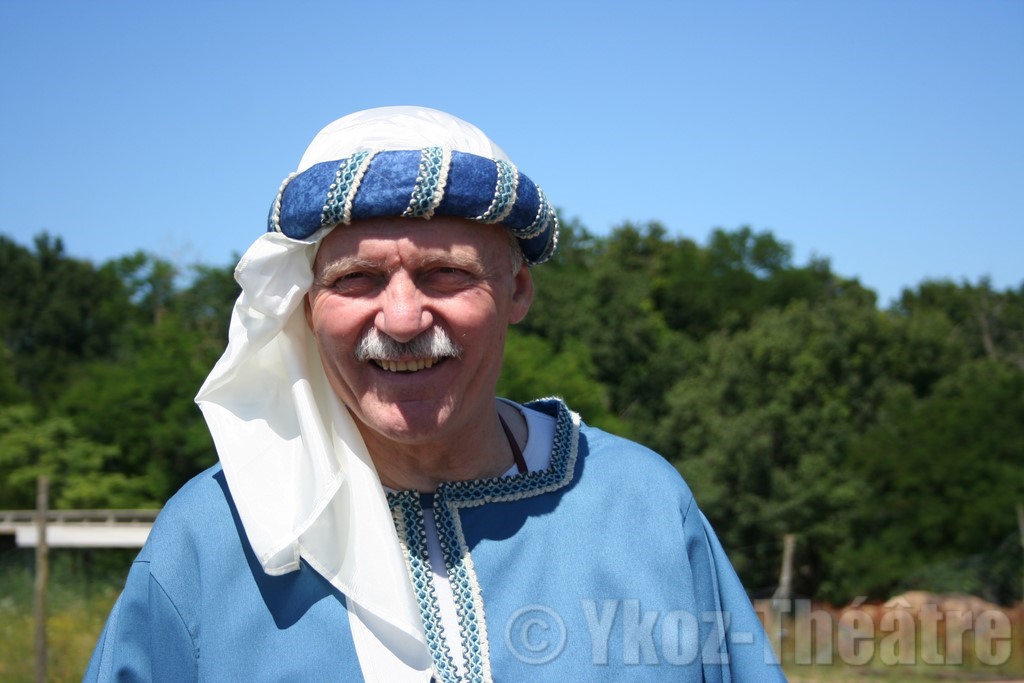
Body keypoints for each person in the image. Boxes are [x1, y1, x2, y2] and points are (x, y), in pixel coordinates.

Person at [85, 106, 786, 682]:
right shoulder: (212, 536)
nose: (401, 319)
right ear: (304, 306)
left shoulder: (642, 505)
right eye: (356, 279)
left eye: (445, 274)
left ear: (517, 289)